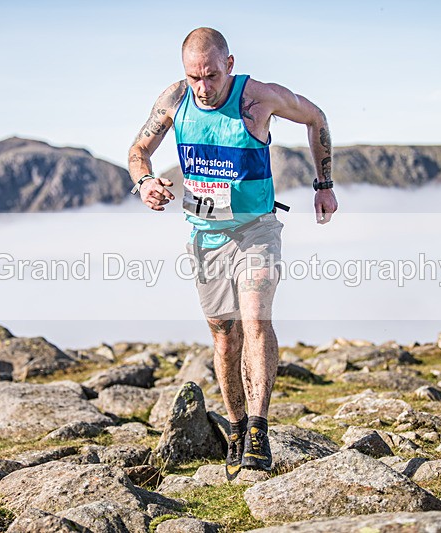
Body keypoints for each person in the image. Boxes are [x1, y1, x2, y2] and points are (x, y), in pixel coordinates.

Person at [128, 27, 337, 479]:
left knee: (256, 318)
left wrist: (323, 186)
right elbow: (138, 150)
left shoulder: (256, 99)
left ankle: (259, 430)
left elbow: (316, 117)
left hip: (256, 229)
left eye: (211, 76)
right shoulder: (174, 99)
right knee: (225, 336)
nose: (203, 87)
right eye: (194, 77)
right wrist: (144, 182)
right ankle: (238, 427)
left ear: (230, 64)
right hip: (206, 236)